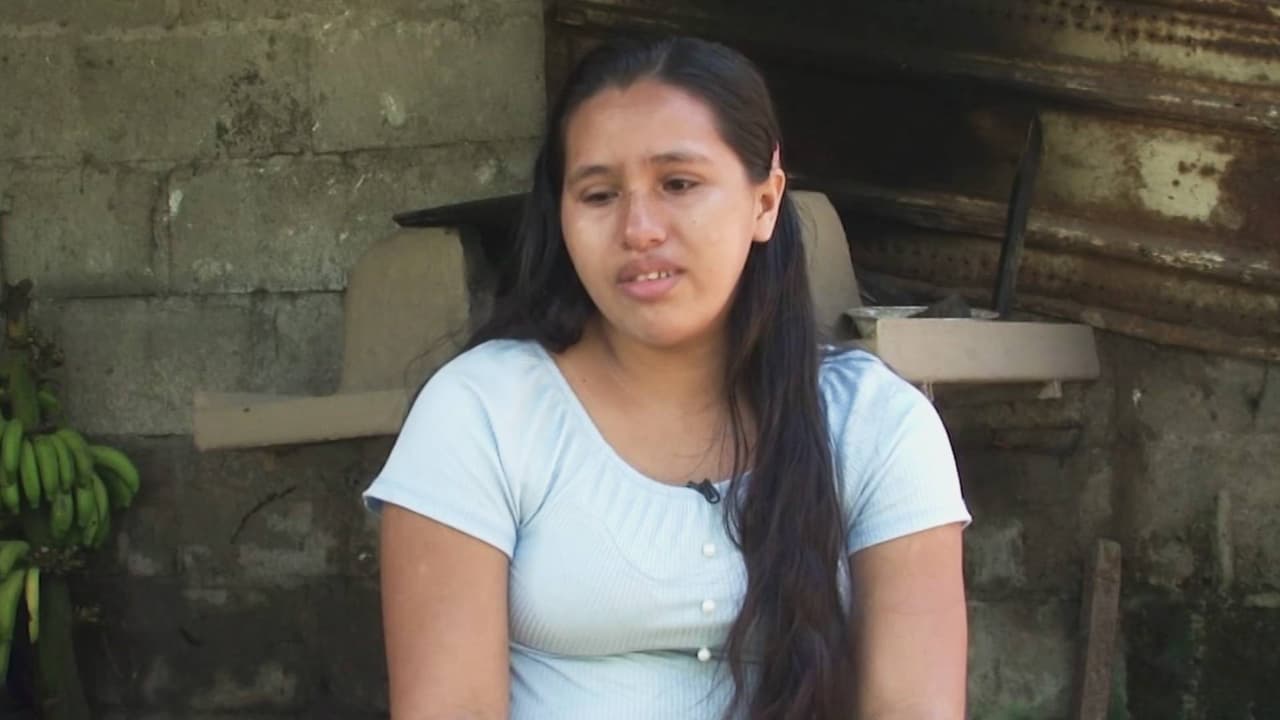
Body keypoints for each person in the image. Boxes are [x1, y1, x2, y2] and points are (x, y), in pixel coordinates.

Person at [362, 35, 971, 720]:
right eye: (599, 194)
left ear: (765, 202)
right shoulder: (481, 413)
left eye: (679, 184)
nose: (639, 229)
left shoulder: (875, 425)